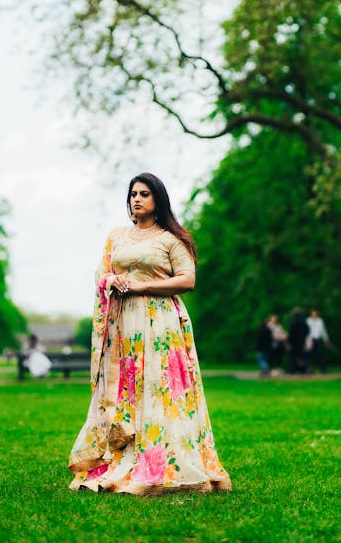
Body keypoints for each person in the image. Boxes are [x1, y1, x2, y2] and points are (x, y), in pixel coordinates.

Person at [69, 172, 232, 495]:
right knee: (129, 390)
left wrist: (144, 286)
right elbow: (101, 272)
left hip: (161, 325)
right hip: (125, 327)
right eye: (132, 194)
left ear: (158, 199)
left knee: (160, 390)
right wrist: (110, 281)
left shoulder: (171, 239)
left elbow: (187, 280)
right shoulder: (116, 237)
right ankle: (127, 455)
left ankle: (162, 461)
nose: (136, 199)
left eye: (144, 193)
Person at [307, 309, 330, 373]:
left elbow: (323, 331)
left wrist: (326, 339)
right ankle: (309, 369)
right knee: (310, 356)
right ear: (311, 314)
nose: (314, 314)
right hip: (310, 340)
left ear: (316, 314)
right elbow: (306, 331)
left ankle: (323, 369)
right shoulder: (308, 320)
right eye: (313, 313)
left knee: (320, 355)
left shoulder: (320, 321)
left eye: (315, 313)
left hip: (317, 339)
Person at [287, 307, 309, 374]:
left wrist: (289, 340)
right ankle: (303, 370)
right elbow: (307, 330)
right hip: (301, 341)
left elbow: (291, 332)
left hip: (294, 342)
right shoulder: (303, 321)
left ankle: (292, 370)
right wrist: (303, 337)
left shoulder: (293, 321)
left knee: (293, 356)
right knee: (302, 356)